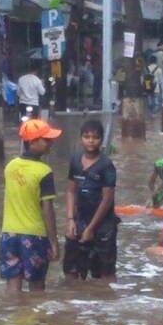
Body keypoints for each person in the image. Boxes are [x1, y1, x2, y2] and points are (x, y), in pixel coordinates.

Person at [0, 119, 61, 293]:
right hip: (34, 236)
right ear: (32, 142)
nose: (51, 143)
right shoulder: (44, 172)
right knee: (37, 287)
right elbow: (47, 209)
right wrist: (54, 242)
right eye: (46, 139)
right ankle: (36, 320)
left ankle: (13, 319)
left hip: (8, 235)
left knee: (12, 284)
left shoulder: (10, 167)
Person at [63, 119, 119, 282]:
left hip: (103, 227)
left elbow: (107, 199)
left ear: (101, 140)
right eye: (87, 137)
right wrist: (70, 220)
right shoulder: (75, 161)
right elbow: (70, 190)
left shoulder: (107, 166)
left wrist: (91, 228)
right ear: (81, 138)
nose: (91, 141)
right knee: (71, 270)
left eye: (95, 137)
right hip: (79, 220)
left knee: (105, 273)